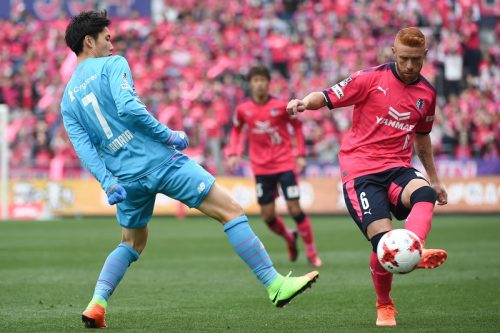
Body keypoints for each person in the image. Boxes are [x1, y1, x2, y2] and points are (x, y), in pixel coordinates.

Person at [61, 11, 318, 329]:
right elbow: (128, 107)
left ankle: (96, 304)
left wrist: (106, 181)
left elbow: (83, 148)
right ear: (89, 41)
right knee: (231, 211)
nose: (111, 45)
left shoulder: (67, 99)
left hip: (125, 180)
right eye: (107, 38)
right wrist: (168, 135)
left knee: (130, 242)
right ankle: (275, 285)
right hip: (161, 161)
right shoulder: (114, 65)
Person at [286, 27, 448, 327]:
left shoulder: (427, 93)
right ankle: (384, 305)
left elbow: (422, 139)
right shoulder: (369, 79)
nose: (410, 66)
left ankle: (416, 247)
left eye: (416, 60)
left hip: (398, 167)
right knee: (384, 246)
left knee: (424, 194)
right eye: (404, 59)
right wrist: (303, 104)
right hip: (361, 172)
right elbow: (326, 95)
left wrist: (434, 179)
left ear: (425, 56)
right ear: (393, 53)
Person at [227, 65, 322, 267]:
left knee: (294, 208)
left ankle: (312, 252)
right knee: (267, 216)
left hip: (285, 163)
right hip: (261, 168)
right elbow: (236, 130)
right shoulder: (243, 110)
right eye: (255, 80)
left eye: (263, 80)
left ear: (268, 83)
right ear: (250, 84)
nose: (259, 84)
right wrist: (234, 152)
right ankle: (289, 237)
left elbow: (297, 127)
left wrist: (301, 154)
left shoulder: (281, 106)